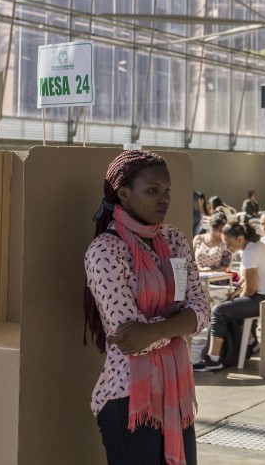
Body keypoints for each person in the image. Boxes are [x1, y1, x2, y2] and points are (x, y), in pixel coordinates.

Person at [84, 150, 210, 465]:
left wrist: (155, 329)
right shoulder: (105, 252)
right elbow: (131, 341)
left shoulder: (175, 240)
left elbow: (201, 310)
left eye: (166, 191)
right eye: (152, 191)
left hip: (176, 395)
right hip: (129, 398)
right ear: (124, 194)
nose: (163, 199)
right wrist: (179, 323)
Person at [193, 219, 265, 372]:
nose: (227, 248)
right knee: (228, 304)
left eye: (229, 243)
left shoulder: (250, 253)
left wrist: (237, 298)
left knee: (219, 311)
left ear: (240, 239)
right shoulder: (255, 247)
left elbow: (251, 289)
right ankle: (251, 342)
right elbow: (251, 283)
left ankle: (213, 358)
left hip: (264, 299)